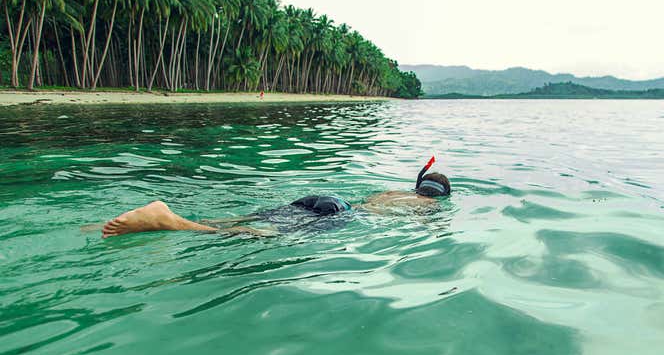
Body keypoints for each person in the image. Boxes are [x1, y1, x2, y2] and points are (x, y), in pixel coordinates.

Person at [100, 156, 451, 239]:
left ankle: (158, 219)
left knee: (254, 220)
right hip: (339, 212)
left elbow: (370, 201)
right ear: (438, 196)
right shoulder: (427, 207)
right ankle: (170, 222)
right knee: (266, 236)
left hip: (328, 197)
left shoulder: (393, 191)